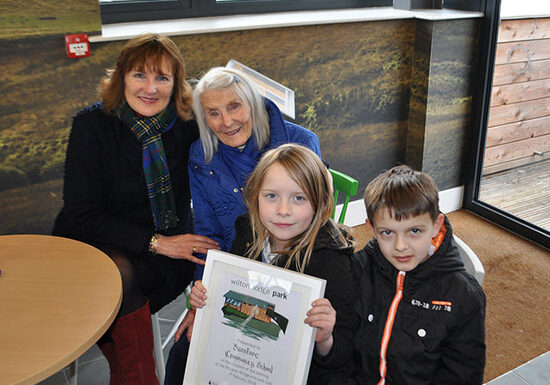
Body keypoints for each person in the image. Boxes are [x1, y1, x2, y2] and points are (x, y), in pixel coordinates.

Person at [52, 33, 218, 385]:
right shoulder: (92, 126)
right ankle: (136, 375)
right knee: (115, 273)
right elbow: (81, 216)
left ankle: (131, 375)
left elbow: (241, 126)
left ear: (176, 85)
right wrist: (157, 241)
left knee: (120, 278)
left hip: (163, 258)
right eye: (140, 75)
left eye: (162, 77)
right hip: (93, 242)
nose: (150, 88)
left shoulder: (187, 125)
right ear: (122, 77)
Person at [167, 144, 357, 385]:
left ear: (320, 203)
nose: (283, 210)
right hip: (246, 352)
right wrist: (207, 301)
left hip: (304, 370)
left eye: (299, 198)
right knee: (183, 351)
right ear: (255, 196)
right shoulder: (247, 233)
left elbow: (343, 357)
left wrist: (326, 337)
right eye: (271, 196)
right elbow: (233, 299)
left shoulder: (333, 262)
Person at [353, 165, 486, 385]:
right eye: (387, 232)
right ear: (372, 229)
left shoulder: (465, 296)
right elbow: (342, 352)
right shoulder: (357, 269)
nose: (401, 246)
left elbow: (463, 376)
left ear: (436, 226)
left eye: (414, 231)